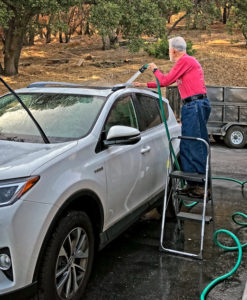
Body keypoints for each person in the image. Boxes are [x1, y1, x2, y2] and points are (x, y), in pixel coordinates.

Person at [133, 36, 211, 197]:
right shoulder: (188, 62)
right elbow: (167, 81)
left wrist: (154, 69)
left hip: (194, 105)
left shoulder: (185, 61)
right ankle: (195, 183)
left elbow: (166, 80)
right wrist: (145, 85)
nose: (169, 53)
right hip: (195, 105)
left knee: (193, 144)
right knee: (191, 144)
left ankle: (200, 186)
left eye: (169, 50)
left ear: (174, 50)